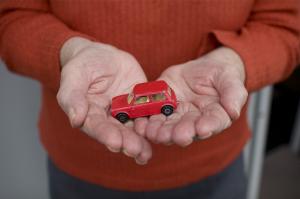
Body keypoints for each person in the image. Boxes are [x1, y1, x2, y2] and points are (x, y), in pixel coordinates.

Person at [0, 0, 299, 198]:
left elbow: (287, 24)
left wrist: (237, 61)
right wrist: (70, 53)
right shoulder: (136, 104)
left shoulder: (147, 102)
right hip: (80, 169)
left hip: (215, 168)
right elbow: (11, 14)